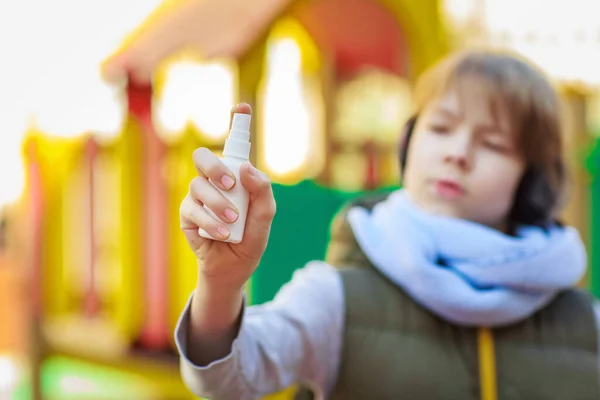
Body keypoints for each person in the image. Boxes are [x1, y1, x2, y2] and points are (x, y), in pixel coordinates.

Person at [175, 50, 599, 400]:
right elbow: (226, 382)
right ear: (408, 144)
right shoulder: (335, 299)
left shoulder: (586, 326)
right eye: (440, 127)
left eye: (492, 143)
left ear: (533, 183)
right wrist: (221, 283)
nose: (458, 153)